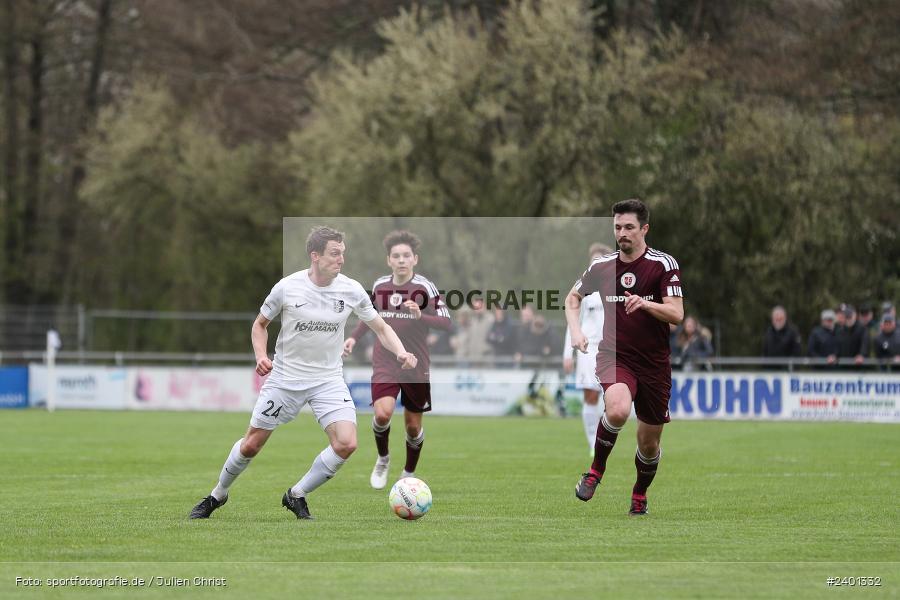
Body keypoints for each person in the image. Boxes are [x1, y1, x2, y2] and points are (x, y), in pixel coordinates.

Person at [189, 226, 417, 520]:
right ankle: (217, 495)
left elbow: (382, 328)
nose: (341, 260)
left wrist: (400, 352)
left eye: (342, 254)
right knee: (251, 445)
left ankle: (296, 494)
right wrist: (261, 355)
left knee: (347, 443)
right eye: (335, 254)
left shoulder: (351, 289)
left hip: (328, 380)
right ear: (315, 256)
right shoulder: (287, 287)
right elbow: (260, 325)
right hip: (285, 380)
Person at [567, 199, 684, 516]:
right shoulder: (602, 267)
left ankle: (639, 492)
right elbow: (572, 298)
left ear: (644, 229)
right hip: (614, 356)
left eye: (629, 227)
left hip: (654, 365)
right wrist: (576, 332)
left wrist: (646, 305)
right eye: (618, 227)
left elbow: (676, 313)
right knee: (617, 409)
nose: (623, 233)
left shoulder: (662, 265)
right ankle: (595, 472)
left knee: (649, 444)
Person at [343, 230, 451, 490]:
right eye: (396, 256)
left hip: (416, 364)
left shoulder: (425, 288)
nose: (401, 260)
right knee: (383, 414)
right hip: (385, 360)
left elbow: (446, 323)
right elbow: (368, 316)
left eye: (406, 256)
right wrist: (354, 338)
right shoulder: (380, 286)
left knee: (413, 428)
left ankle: (408, 472)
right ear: (388, 260)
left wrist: (420, 316)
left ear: (415, 259)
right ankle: (383, 458)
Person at [563, 243, 612, 454]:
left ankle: (605, 439)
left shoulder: (616, 287)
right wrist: (568, 353)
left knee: (613, 398)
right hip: (588, 349)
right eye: (592, 262)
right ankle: (593, 443)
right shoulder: (583, 290)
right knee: (590, 395)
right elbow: (572, 321)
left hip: (613, 348)